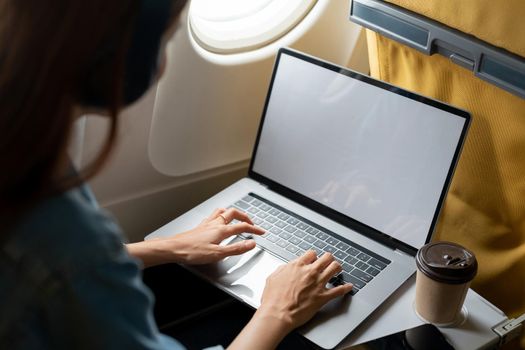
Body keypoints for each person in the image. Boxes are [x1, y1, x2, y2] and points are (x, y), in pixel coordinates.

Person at [0, 1, 353, 349]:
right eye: (165, 40)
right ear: (117, 49)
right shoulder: (67, 234)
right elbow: (68, 264)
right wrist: (278, 311)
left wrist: (170, 247)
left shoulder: (26, 155)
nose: (164, 63)